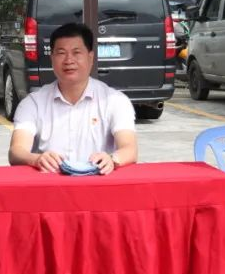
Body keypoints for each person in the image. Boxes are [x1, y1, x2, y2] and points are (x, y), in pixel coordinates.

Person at [8, 22, 138, 175]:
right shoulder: (33, 103)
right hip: (51, 184)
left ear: (90, 57)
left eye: (76, 52)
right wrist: (36, 159)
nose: (69, 60)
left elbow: (130, 148)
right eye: (61, 53)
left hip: (98, 183)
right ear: (52, 58)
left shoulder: (115, 101)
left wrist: (112, 159)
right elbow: (16, 151)